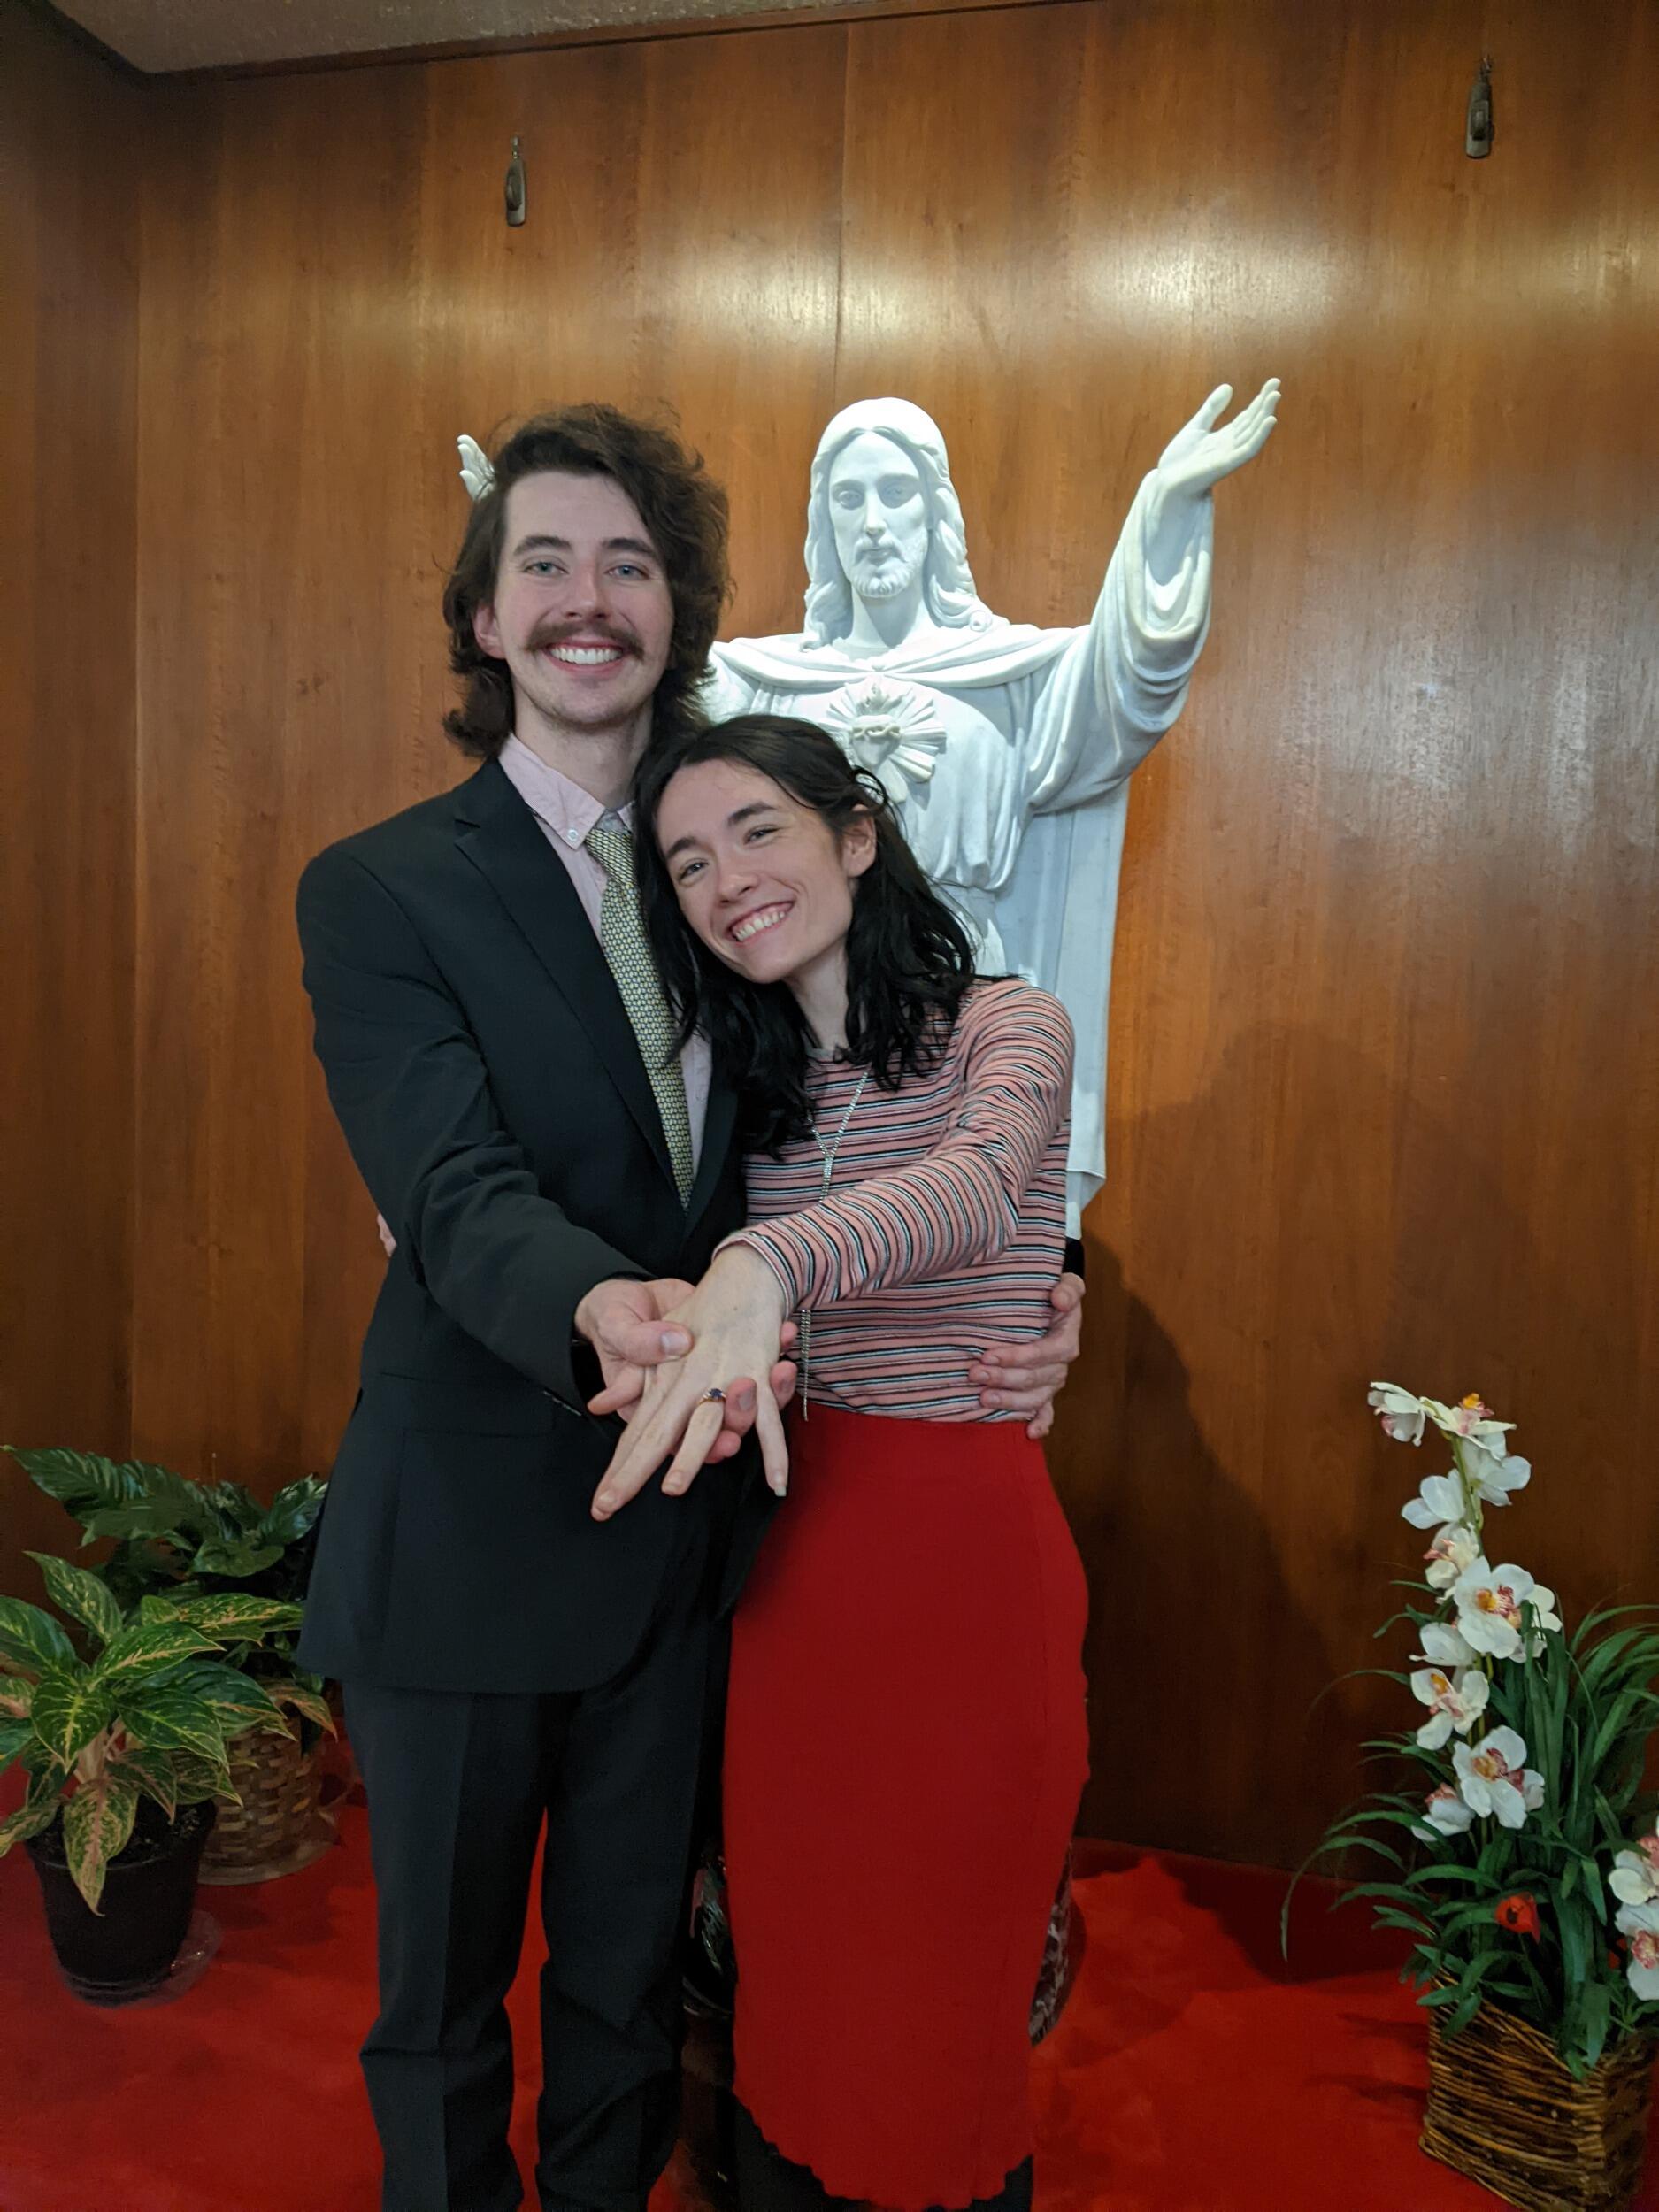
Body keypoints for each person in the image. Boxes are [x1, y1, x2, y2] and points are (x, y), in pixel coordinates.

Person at [295, 405, 1083, 2212]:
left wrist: (1047, 1278)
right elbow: (455, 1193)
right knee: (440, 2011)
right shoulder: (381, 888)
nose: (588, 599)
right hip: (473, 1529)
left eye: (629, 564)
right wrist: (620, 1308)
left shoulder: (723, 885)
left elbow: (875, 1134)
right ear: (485, 618)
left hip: (696, 1556)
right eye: (544, 563)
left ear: (679, 612)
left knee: (628, 1990)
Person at [592, 712, 1091, 2212]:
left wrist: (767, 1263)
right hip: (795, 1567)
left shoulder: (1010, 1024)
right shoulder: (744, 1091)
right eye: (688, 862)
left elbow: (982, 1188)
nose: (727, 878)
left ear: (857, 836)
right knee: (801, 1970)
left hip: (964, 1561)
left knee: (942, 1986)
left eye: (758, 830)